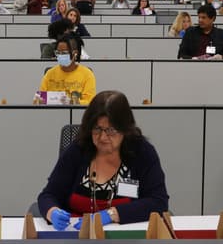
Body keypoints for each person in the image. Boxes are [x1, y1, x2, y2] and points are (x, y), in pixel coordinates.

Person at [37, 90, 169, 229]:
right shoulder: (78, 150)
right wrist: (52, 212)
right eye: (97, 129)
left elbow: (158, 202)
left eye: (111, 130)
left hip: (124, 236)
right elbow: (49, 195)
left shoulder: (141, 152)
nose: (102, 137)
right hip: (75, 234)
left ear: (125, 129)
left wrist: (110, 214)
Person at [34, 33, 96, 105]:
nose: (60, 56)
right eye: (58, 53)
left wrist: (73, 102)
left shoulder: (87, 74)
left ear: (75, 53)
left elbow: (90, 102)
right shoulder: (50, 73)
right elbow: (40, 99)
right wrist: (38, 100)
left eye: (64, 53)